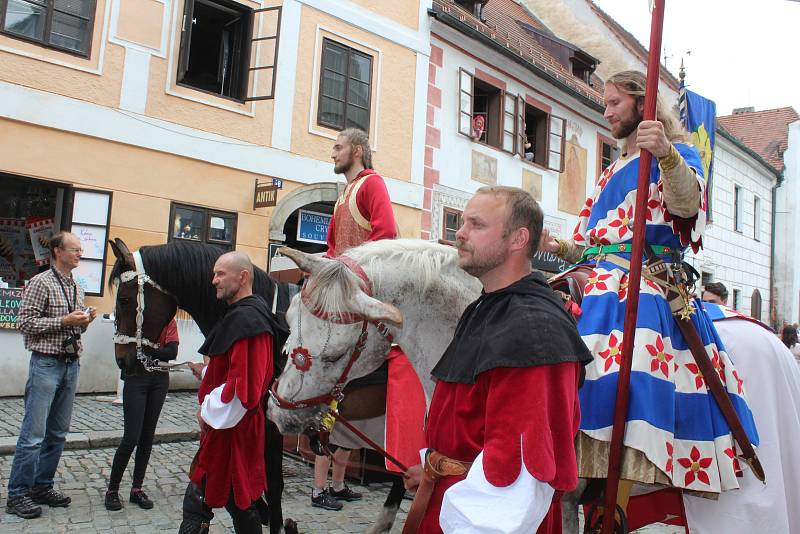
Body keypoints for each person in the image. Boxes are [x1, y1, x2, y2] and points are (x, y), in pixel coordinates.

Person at [539, 71, 758, 503]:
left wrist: (666, 156)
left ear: (642, 105)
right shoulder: (610, 171)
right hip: (597, 273)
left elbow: (686, 204)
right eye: (605, 103)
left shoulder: (677, 153)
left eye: (614, 102)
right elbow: (590, 241)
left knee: (622, 360)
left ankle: (620, 481)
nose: (606, 111)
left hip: (643, 281)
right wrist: (560, 247)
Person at [403, 186, 592, 533]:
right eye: (463, 222)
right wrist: (438, 466)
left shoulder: (534, 328)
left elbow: (517, 473)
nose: (460, 233)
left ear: (518, 238)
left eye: (476, 224)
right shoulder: (486, 307)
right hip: (453, 499)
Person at [310, 127, 399, 511]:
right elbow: (332, 246)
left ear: (357, 150)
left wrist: (349, 271)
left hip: (360, 294)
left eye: (338, 147)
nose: (333, 153)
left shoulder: (371, 185)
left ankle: (338, 481)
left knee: (344, 388)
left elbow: (387, 235)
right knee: (331, 388)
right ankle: (319, 488)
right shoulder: (343, 194)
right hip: (344, 294)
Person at [179, 251, 278, 534]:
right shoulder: (241, 316)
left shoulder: (249, 321)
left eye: (221, 274)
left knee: (202, 499)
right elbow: (231, 368)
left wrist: (207, 410)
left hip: (233, 430)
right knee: (238, 499)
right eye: (214, 274)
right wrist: (209, 373)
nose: (214, 280)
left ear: (243, 277)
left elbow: (246, 388)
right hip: (228, 430)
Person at [6, 231, 97, 519]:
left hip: (71, 364)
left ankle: (42, 486)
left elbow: (74, 327)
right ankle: (17, 494)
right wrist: (65, 320)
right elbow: (25, 323)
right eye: (74, 249)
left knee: (58, 433)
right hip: (46, 364)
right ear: (57, 251)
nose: (79, 254)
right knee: (33, 434)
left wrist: (84, 322)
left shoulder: (76, 286)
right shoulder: (40, 282)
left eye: (81, 250)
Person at [104, 319, 179, 511]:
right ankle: (112, 490)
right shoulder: (136, 319)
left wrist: (145, 350)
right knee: (131, 437)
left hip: (159, 379)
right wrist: (153, 350)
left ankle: (136, 488)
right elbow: (125, 351)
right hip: (136, 378)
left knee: (147, 437)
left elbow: (172, 351)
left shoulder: (168, 319)